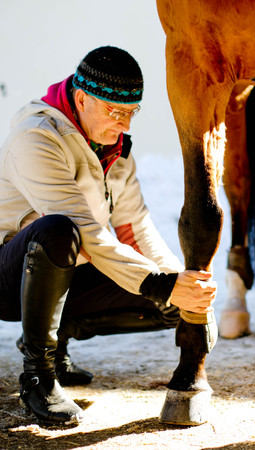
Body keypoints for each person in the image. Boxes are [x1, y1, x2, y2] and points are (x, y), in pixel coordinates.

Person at [0, 46, 216, 425]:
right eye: (115, 112)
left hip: (68, 275)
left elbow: (135, 225)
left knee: (169, 303)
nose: (125, 124)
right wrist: (160, 283)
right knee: (57, 229)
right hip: (6, 279)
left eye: (131, 113)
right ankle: (38, 375)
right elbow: (86, 230)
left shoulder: (116, 149)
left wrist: (182, 288)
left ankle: (60, 331)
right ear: (81, 99)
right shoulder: (36, 136)